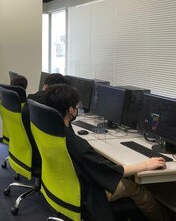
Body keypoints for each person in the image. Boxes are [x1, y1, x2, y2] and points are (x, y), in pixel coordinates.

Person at [42, 84, 169, 221]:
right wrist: (145, 165)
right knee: (139, 190)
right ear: (71, 111)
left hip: (62, 185)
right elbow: (109, 171)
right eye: (76, 106)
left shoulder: (49, 130)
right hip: (88, 191)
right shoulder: (77, 144)